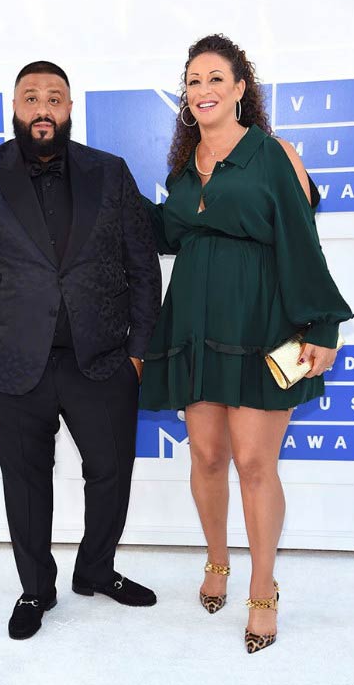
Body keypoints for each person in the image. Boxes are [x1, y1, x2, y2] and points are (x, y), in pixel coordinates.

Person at [0, 61, 161, 640]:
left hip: (103, 361)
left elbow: (142, 266)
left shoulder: (110, 173)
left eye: (54, 97)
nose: (42, 107)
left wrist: (137, 352)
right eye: (31, 97)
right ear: (14, 107)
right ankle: (36, 589)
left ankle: (96, 569)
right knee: (25, 484)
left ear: (69, 109)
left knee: (111, 472)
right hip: (8, 365)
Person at [139, 34, 352, 653]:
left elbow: (301, 240)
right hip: (194, 325)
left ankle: (263, 589)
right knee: (205, 456)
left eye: (215, 78)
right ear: (185, 96)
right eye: (193, 81)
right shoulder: (184, 170)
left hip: (261, 322)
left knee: (256, 464)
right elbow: (166, 232)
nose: (203, 90)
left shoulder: (272, 153)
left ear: (239, 89)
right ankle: (216, 561)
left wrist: (323, 326)